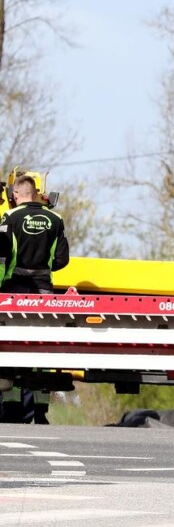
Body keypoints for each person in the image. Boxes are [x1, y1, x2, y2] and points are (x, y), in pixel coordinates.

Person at [0, 174, 69, 424]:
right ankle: (39, 413)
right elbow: (62, 259)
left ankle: (11, 411)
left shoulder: (10, 217)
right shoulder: (56, 219)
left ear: (17, 195)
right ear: (37, 194)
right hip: (43, 289)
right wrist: (45, 267)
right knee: (40, 348)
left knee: (11, 347)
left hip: (14, 288)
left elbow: (2, 254)